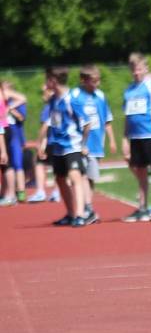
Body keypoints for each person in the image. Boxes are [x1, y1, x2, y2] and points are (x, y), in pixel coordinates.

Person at [39, 67, 90, 227]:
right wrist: (43, 143)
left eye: (47, 79)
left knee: (75, 177)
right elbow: (50, 123)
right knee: (60, 179)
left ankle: (81, 215)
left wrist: (82, 144)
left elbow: (87, 123)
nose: (46, 83)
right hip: (58, 146)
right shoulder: (53, 100)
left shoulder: (72, 99)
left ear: (53, 80)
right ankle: (70, 213)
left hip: (72, 145)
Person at [121, 53, 151, 222]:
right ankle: (142, 207)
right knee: (140, 171)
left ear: (146, 68)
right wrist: (125, 139)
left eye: (139, 69)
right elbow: (127, 117)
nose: (137, 73)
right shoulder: (128, 91)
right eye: (134, 70)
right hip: (135, 137)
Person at [69, 65, 116, 224]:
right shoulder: (75, 95)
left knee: (90, 177)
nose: (97, 84)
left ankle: (88, 209)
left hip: (96, 143)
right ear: (83, 80)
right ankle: (85, 208)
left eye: (98, 80)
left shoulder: (100, 96)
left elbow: (107, 119)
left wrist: (112, 140)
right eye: (93, 81)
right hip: (78, 144)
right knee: (79, 176)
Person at [28, 83, 59, 203]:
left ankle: (41, 191)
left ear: (51, 92)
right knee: (57, 166)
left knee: (39, 163)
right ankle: (57, 192)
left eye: (44, 92)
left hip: (50, 141)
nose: (43, 95)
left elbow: (45, 127)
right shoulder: (58, 105)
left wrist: (39, 143)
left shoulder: (48, 107)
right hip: (59, 141)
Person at [0, 80, 27, 206]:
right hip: (5, 130)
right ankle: (5, 193)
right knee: (4, 164)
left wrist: (10, 107)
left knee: (9, 162)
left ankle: (14, 194)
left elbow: (22, 98)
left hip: (6, 131)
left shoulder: (4, 94)